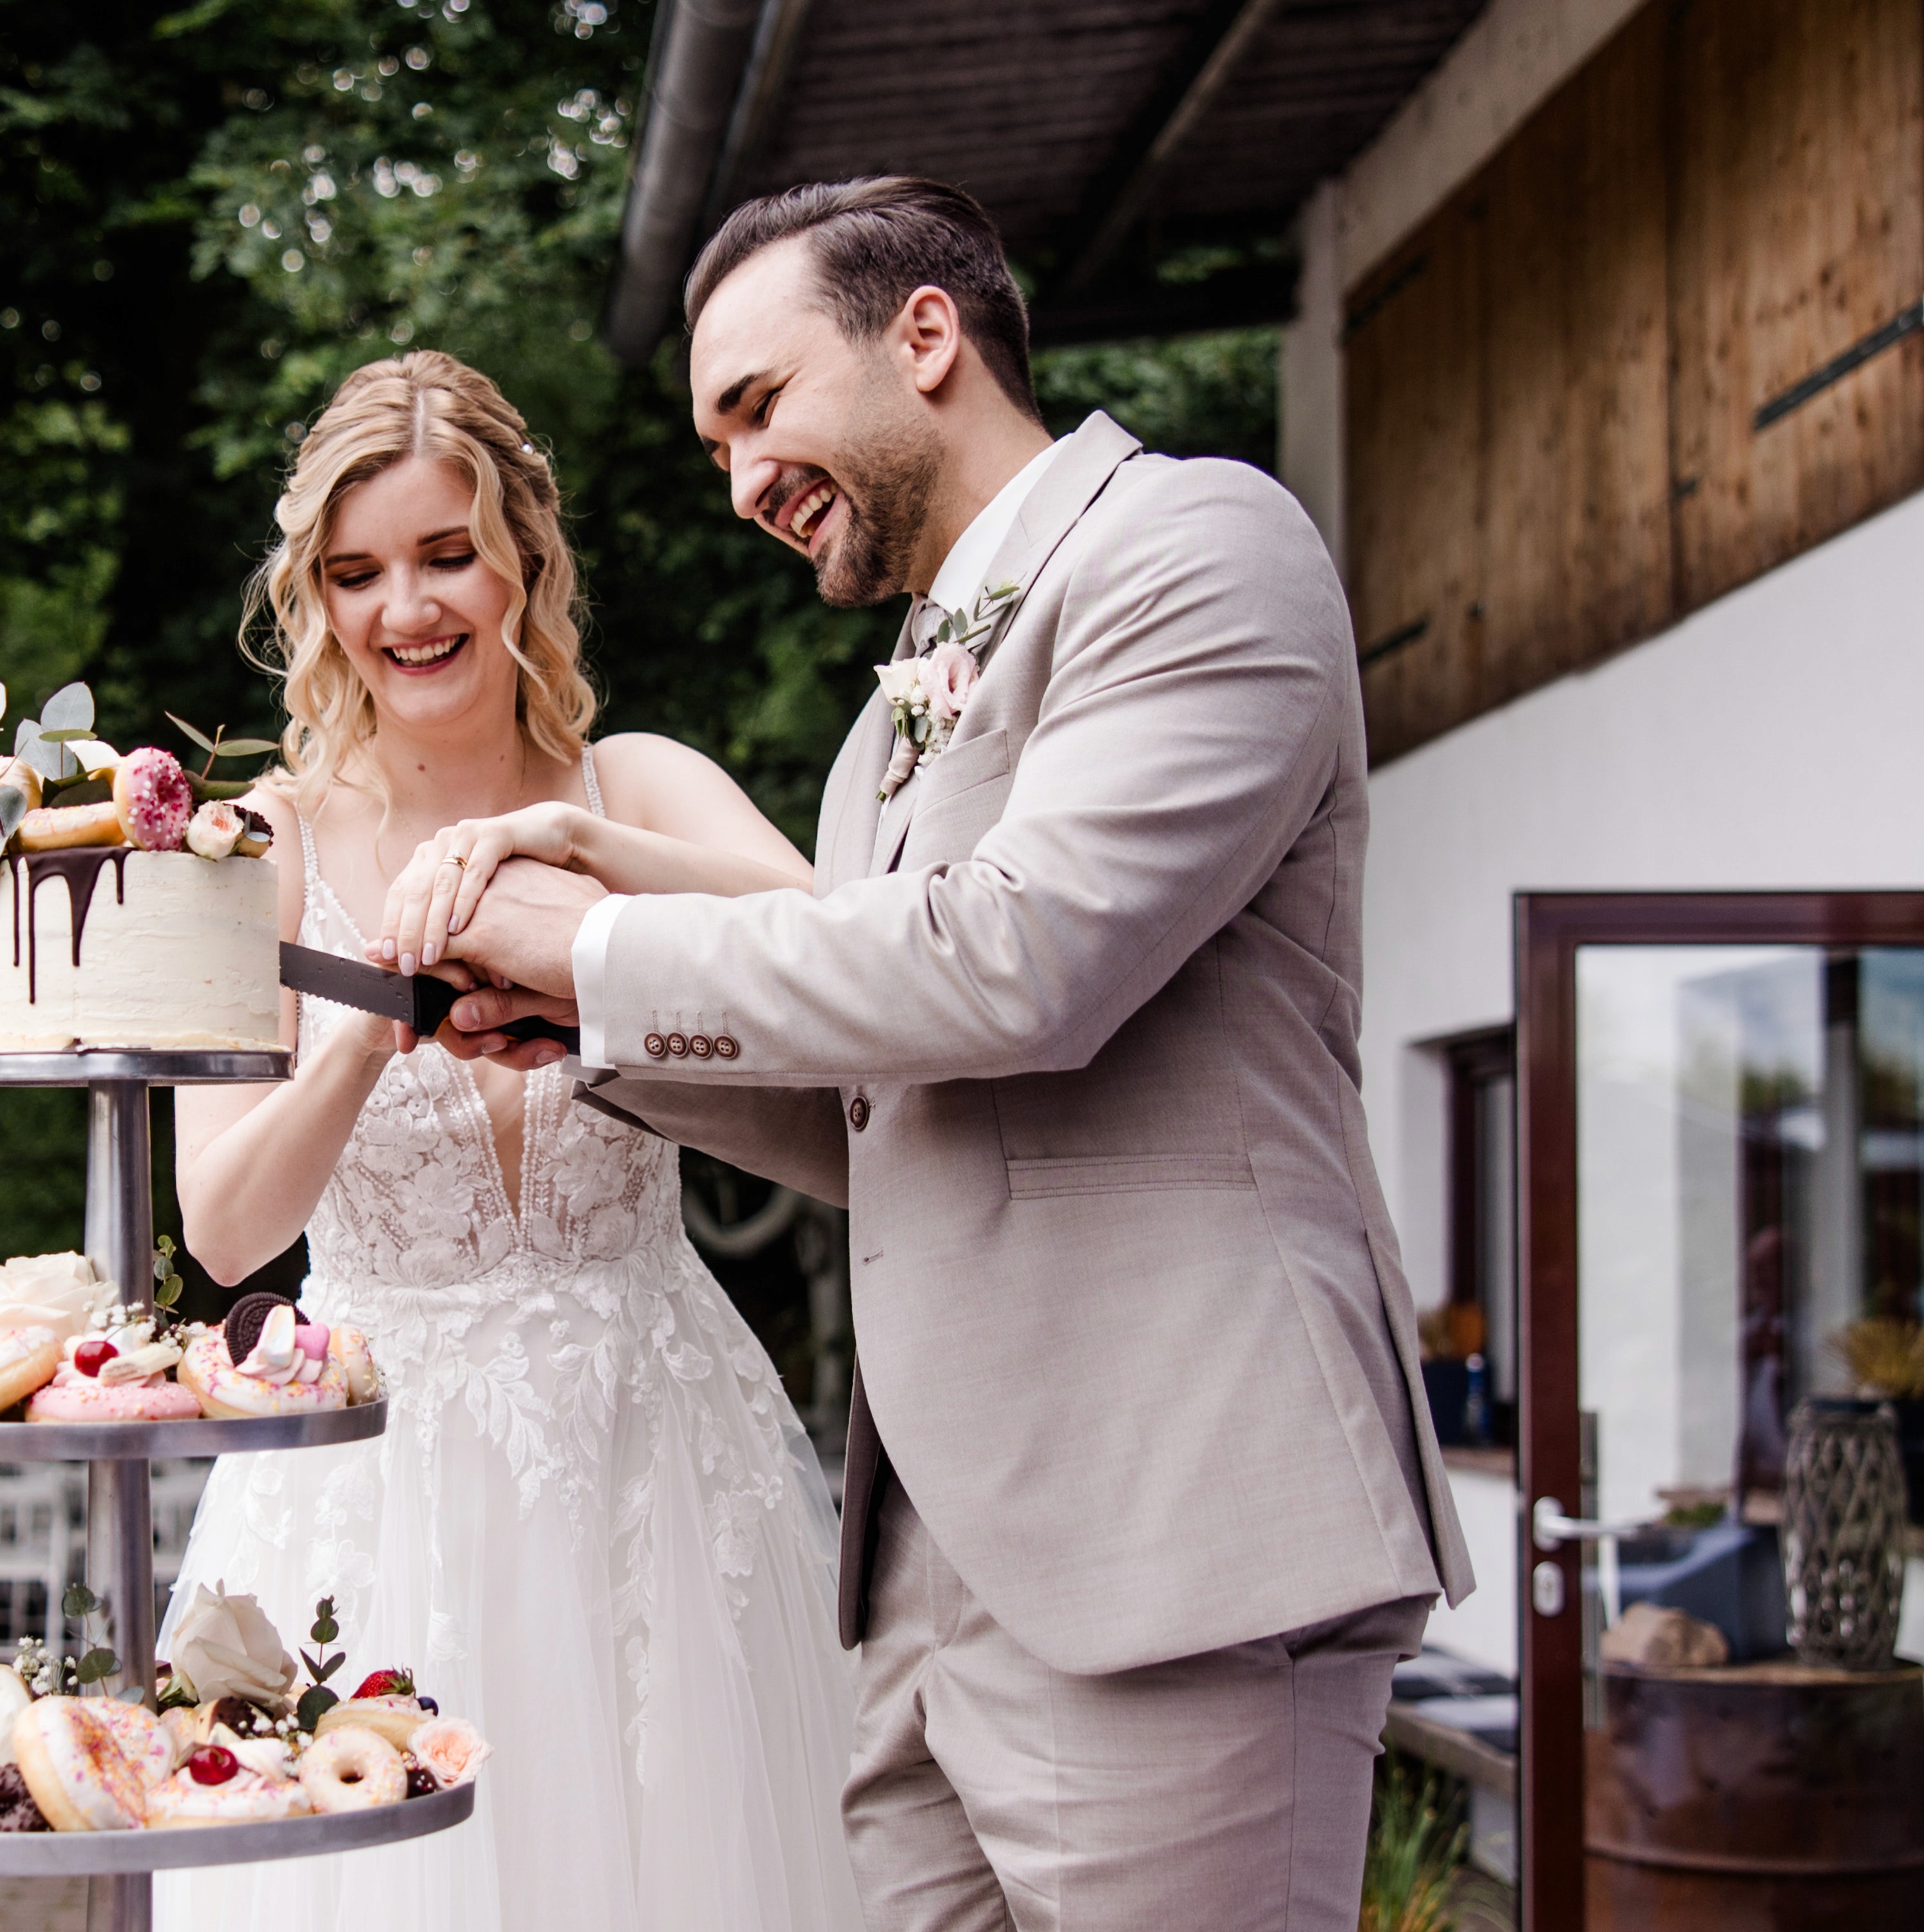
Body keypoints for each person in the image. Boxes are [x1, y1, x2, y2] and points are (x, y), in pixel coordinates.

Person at [395, 179, 1475, 1930]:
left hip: (1169, 1526)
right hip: (920, 1576)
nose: (739, 477)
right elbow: (894, 1111)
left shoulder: (1194, 545)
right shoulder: (882, 728)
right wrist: (585, 1030)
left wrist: (590, 939)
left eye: (757, 406)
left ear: (924, 336)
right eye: (713, 443)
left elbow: (1020, 964)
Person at [158, 350, 865, 1932]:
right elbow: (218, 1230)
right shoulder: (263, 846)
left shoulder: (645, 784)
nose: (406, 607)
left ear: (525, 560)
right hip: (371, 1486)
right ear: (319, 597)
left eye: (445, 554)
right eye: (356, 573)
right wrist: (359, 1026)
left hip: (655, 1459)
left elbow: (853, 953)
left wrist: (578, 852)